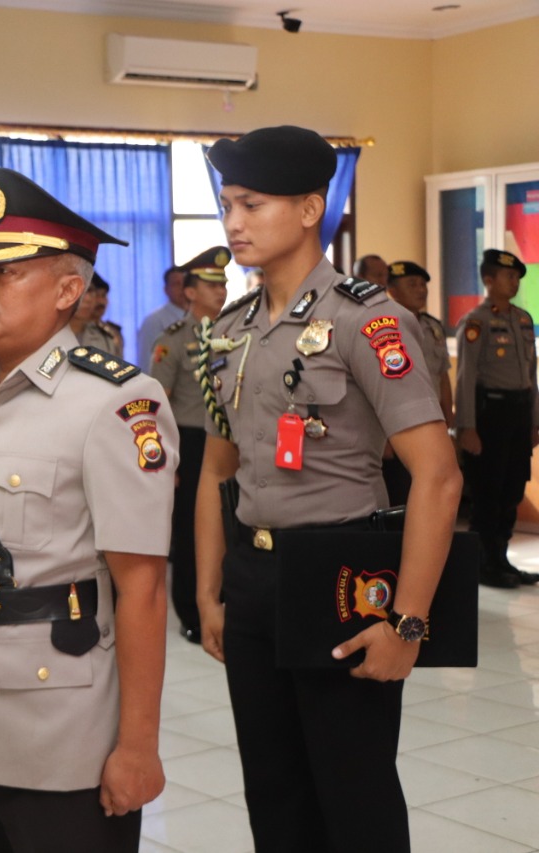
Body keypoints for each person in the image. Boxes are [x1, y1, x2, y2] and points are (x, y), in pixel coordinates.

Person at [195, 126, 460, 853]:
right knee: (273, 794)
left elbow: (439, 474)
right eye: (226, 205)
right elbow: (217, 470)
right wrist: (210, 589)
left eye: (251, 204)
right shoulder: (232, 330)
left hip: (340, 579)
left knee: (355, 795)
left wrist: (409, 621)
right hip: (253, 578)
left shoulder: (367, 320)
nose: (233, 223)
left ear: (310, 208)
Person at [0, 166, 176, 851]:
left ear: (69, 290)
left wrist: (137, 745)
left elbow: (143, 588)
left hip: (61, 726)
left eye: (8, 273)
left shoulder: (115, 402)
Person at [148, 246, 230, 644]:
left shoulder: (234, 333)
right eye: (213, 285)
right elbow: (157, 406)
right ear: (190, 292)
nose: (222, 292)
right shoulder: (173, 340)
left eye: (225, 284)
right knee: (190, 529)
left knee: (230, 523)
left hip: (228, 441)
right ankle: (190, 610)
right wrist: (169, 462)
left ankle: (224, 598)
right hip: (190, 442)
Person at [455, 249, 539, 588]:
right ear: (489, 280)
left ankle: (501, 559)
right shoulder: (476, 322)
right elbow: (465, 376)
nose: (515, 281)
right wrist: (466, 427)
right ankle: (483, 564)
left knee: (512, 489)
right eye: (508, 276)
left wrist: (535, 420)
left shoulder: (522, 319)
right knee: (488, 494)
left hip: (518, 415)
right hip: (490, 416)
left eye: (517, 277)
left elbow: (531, 375)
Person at [382, 260, 454, 506]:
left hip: (431, 424)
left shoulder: (432, 327)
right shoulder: (382, 326)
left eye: (423, 284)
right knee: (401, 499)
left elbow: (442, 377)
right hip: (399, 429)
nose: (421, 289)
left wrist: (448, 424)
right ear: (392, 289)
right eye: (412, 284)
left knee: (432, 497)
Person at [135, 264, 188, 367]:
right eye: (176, 284)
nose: (182, 288)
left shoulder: (196, 318)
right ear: (166, 290)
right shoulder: (153, 321)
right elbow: (146, 362)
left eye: (185, 283)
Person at [72, 272, 124, 357]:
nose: (88, 299)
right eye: (84, 292)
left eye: (91, 291)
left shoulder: (106, 338)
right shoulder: (49, 334)